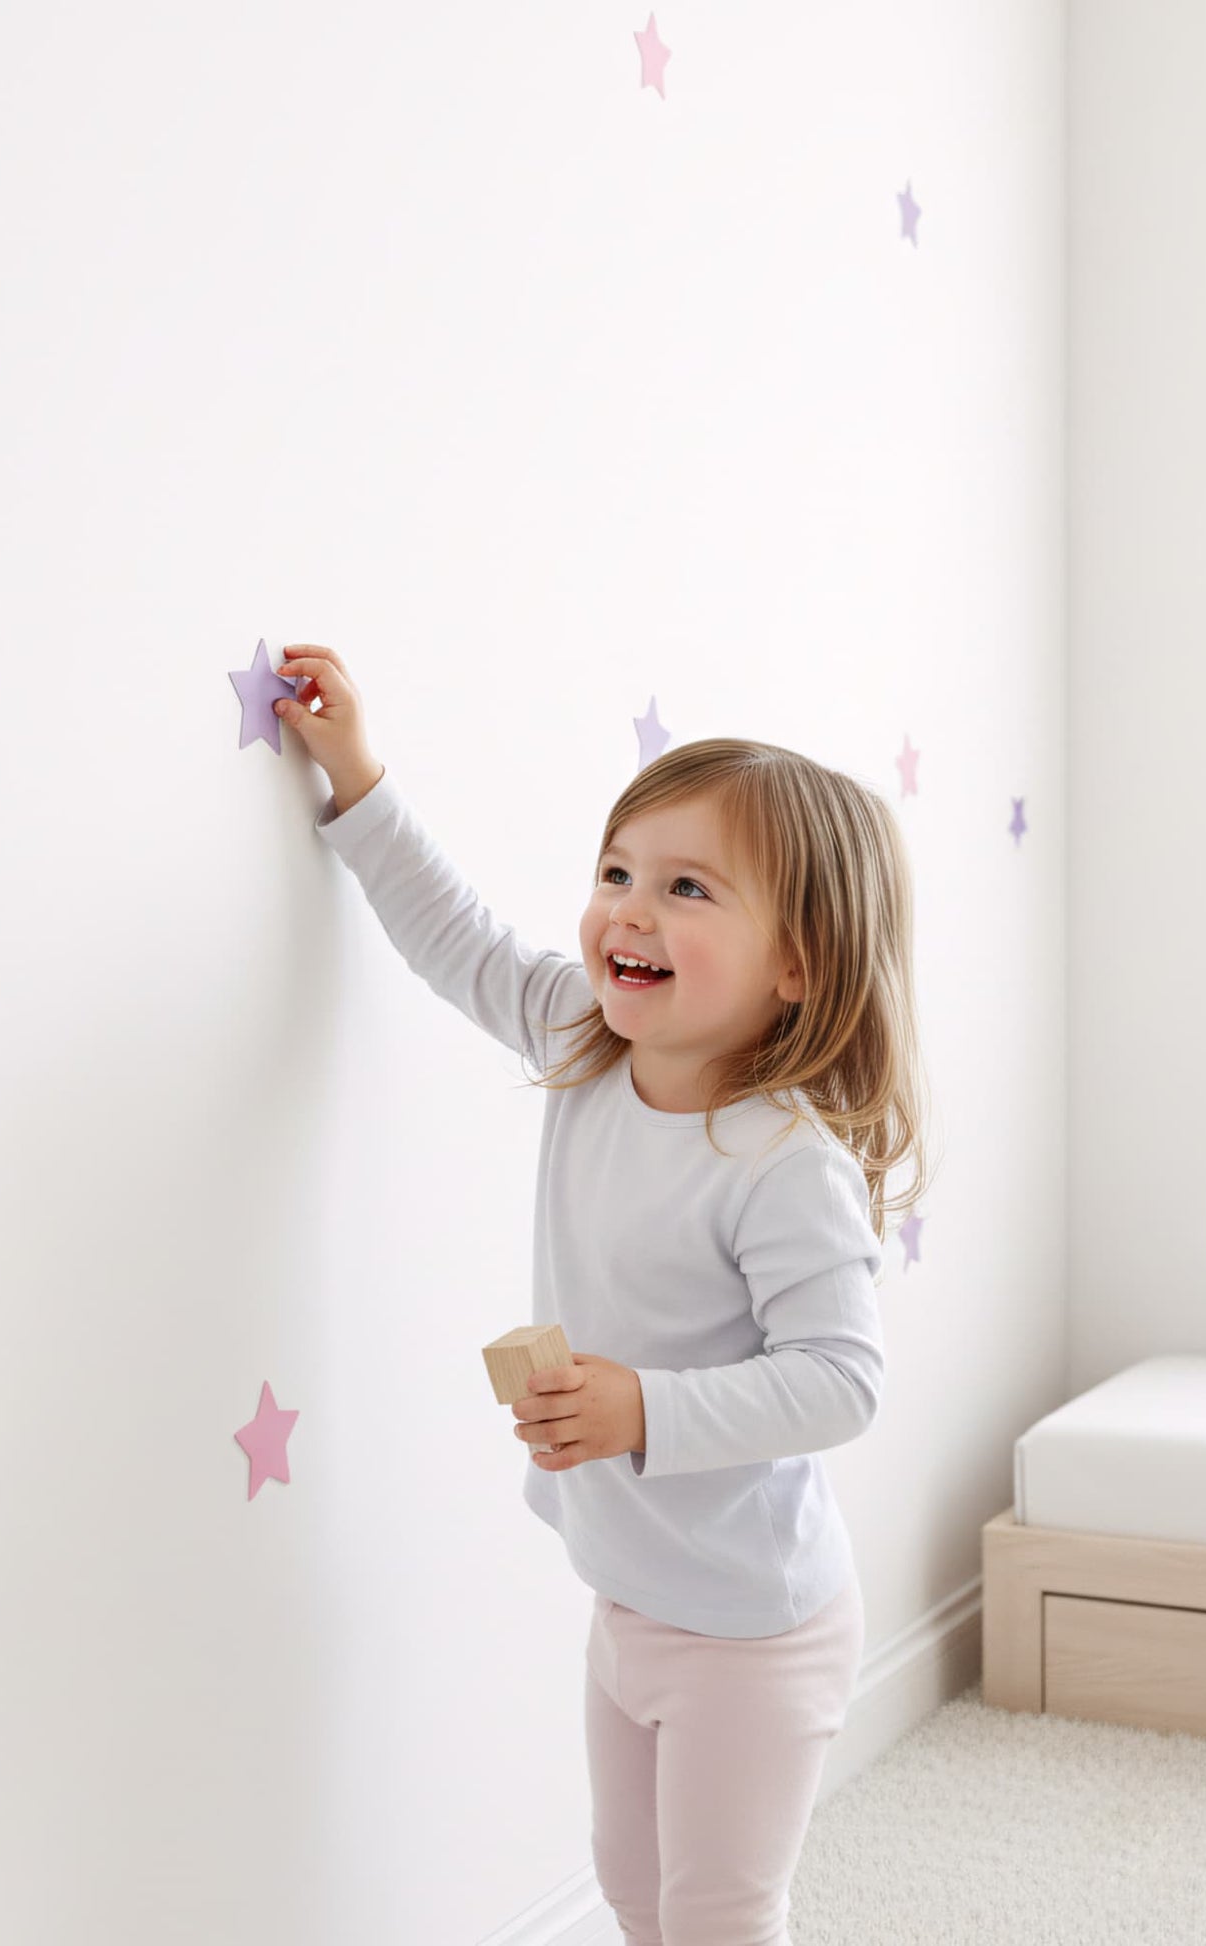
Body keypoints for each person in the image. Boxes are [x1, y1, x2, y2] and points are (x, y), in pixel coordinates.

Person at [273, 645, 932, 1946]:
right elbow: (453, 934)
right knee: (633, 1893)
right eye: (615, 872)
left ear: (794, 965)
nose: (626, 910)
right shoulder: (585, 1041)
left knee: (718, 1912)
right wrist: (352, 774)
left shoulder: (780, 1160)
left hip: (751, 1626)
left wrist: (642, 1409)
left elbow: (840, 1378)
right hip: (628, 1589)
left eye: (684, 887)